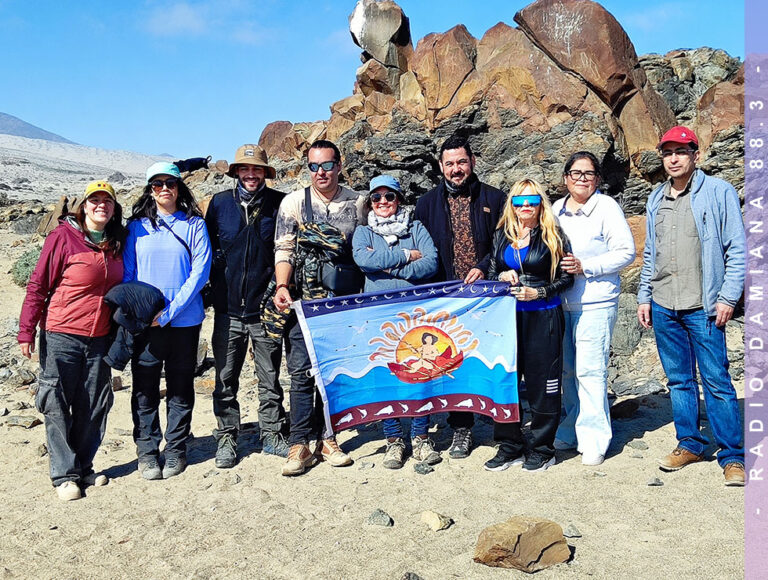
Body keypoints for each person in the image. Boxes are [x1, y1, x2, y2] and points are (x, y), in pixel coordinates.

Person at [637, 126, 746, 486]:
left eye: (681, 151)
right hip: (665, 303)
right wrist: (644, 296)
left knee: (716, 380)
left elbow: (737, 249)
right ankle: (690, 443)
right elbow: (651, 253)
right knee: (680, 380)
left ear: (695, 155)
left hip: (704, 305)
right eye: (668, 152)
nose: (673, 158)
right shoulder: (655, 198)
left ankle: (732, 456)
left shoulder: (718, 192)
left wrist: (728, 296)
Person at [18, 181, 125, 500]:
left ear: (114, 208)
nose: (101, 205)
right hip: (62, 332)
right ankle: (64, 475)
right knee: (56, 400)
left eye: (107, 201)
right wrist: (26, 330)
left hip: (100, 337)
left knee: (94, 402)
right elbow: (38, 285)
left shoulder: (117, 241)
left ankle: (83, 467)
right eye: (95, 200)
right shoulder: (63, 237)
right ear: (84, 205)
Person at [273, 139, 364, 476]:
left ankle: (328, 438)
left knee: (334, 371)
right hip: (304, 301)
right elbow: (284, 248)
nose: (321, 172)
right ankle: (299, 443)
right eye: (314, 166)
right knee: (300, 371)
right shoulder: (294, 203)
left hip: (342, 304)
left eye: (327, 165)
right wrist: (283, 285)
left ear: (339, 165)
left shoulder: (358, 203)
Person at [414, 134, 506, 459]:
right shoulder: (425, 205)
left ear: (473, 163)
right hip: (446, 299)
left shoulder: (495, 199)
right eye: (450, 164)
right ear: (440, 166)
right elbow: (421, 251)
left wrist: (484, 267)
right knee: (455, 363)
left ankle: (504, 427)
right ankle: (462, 429)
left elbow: (504, 245)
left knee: (493, 359)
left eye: (461, 162)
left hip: (487, 298)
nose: (456, 169)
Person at [123, 162, 211, 480]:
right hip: (147, 323)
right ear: (150, 189)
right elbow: (129, 272)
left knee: (180, 386)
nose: (164, 189)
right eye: (157, 184)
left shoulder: (194, 225)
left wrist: (171, 311)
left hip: (184, 321)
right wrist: (143, 310)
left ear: (178, 187)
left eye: (170, 183)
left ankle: (175, 450)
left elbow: (200, 272)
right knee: (145, 388)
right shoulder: (136, 227)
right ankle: (147, 453)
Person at [205, 145, 288, 468]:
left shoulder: (279, 204)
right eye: (245, 169)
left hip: (264, 307)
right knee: (225, 376)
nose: (251, 175)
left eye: (257, 170)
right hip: (227, 308)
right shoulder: (220, 204)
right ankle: (226, 434)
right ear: (237, 172)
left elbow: (287, 249)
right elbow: (206, 250)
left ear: (265, 173)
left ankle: (271, 433)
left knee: (269, 375)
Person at [552, 152, 635, 466]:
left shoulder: (606, 208)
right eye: (576, 173)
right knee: (568, 370)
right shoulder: (556, 210)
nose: (582, 178)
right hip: (561, 301)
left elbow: (626, 251)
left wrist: (588, 267)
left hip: (596, 302)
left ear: (598, 179)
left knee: (590, 370)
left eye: (589, 173)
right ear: (566, 178)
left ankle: (594, 438)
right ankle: (571, 428)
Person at [352, 174, 440, 469]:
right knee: (385, 374)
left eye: (389, 197)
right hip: (378, 315)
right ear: (370, 203)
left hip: (414, 314)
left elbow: (430, 262)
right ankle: (393, 439)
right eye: (376, 198)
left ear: (398, 199)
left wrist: (390, 270)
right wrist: (404, 256)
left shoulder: (415, 227)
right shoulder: (363, 233)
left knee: (419, 371)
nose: (383, 203)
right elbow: (364, 262)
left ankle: (420, 437)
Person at [486, 179, 573, 472]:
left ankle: (542, 448)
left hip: (543, 316)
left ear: (541, 203)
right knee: (505, 380)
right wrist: (500, 276)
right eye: (519, 201)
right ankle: (509, 445)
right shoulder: (502, 234)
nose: (525, 207)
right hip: (507, 318)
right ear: (511, 204)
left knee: (542, 383)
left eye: (532, 201)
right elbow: (491, 270)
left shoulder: (553, 234)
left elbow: (567, 278)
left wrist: (540, 292)